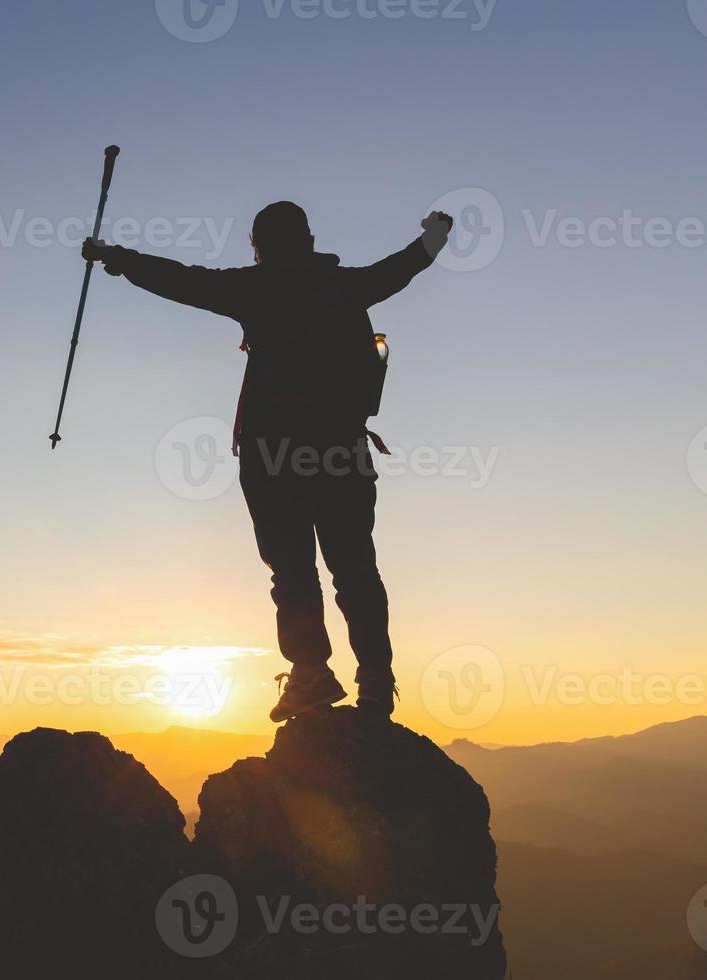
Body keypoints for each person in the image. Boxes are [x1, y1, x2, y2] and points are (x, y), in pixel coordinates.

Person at [82, 204, 453, 721]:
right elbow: (407, 265)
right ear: (309, 238)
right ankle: (375, 680)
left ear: (259, 245)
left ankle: (311, 675)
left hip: (272, 454)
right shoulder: (348, 286)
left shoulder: (253, 289)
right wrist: (436, 233)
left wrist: (112, 258)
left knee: (293, 571)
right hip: (341, 450)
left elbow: (179, 280)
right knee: (355, 570)